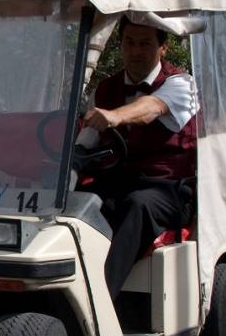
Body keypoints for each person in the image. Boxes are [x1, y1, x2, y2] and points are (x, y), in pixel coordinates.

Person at [78, 18, 199, 302]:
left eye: (145, 43)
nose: (136, 51)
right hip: (121, 181)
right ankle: (62, 285)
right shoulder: (105, 89)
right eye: (129, 43)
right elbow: (84, 144)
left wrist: (116, 116)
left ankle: (99, 302)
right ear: (120, 46)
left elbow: (152, 108)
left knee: (138, 205)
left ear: (162, 48)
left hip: (170, 188)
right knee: (79, 203)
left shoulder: (182, 84)